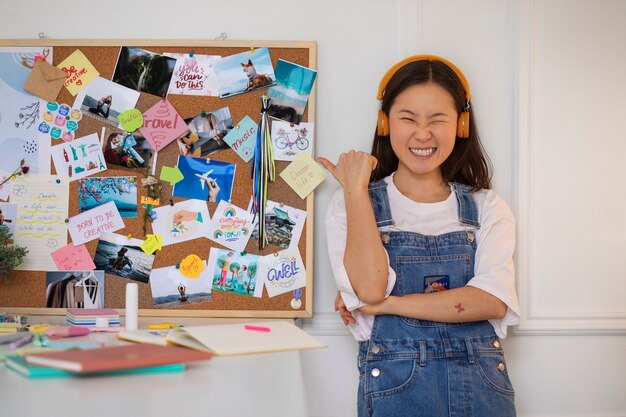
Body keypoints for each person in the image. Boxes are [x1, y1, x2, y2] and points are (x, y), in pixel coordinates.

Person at [318, 55, 520, 417]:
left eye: (437, 119)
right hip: (395, 392)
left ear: (461, 124)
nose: (422, 134)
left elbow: (490, 302)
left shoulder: (487, 206)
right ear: (385, 122)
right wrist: (355, 189)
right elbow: (369, 290)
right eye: (407, 118)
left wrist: (391, 305)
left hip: (482, 394)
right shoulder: (351, 203)